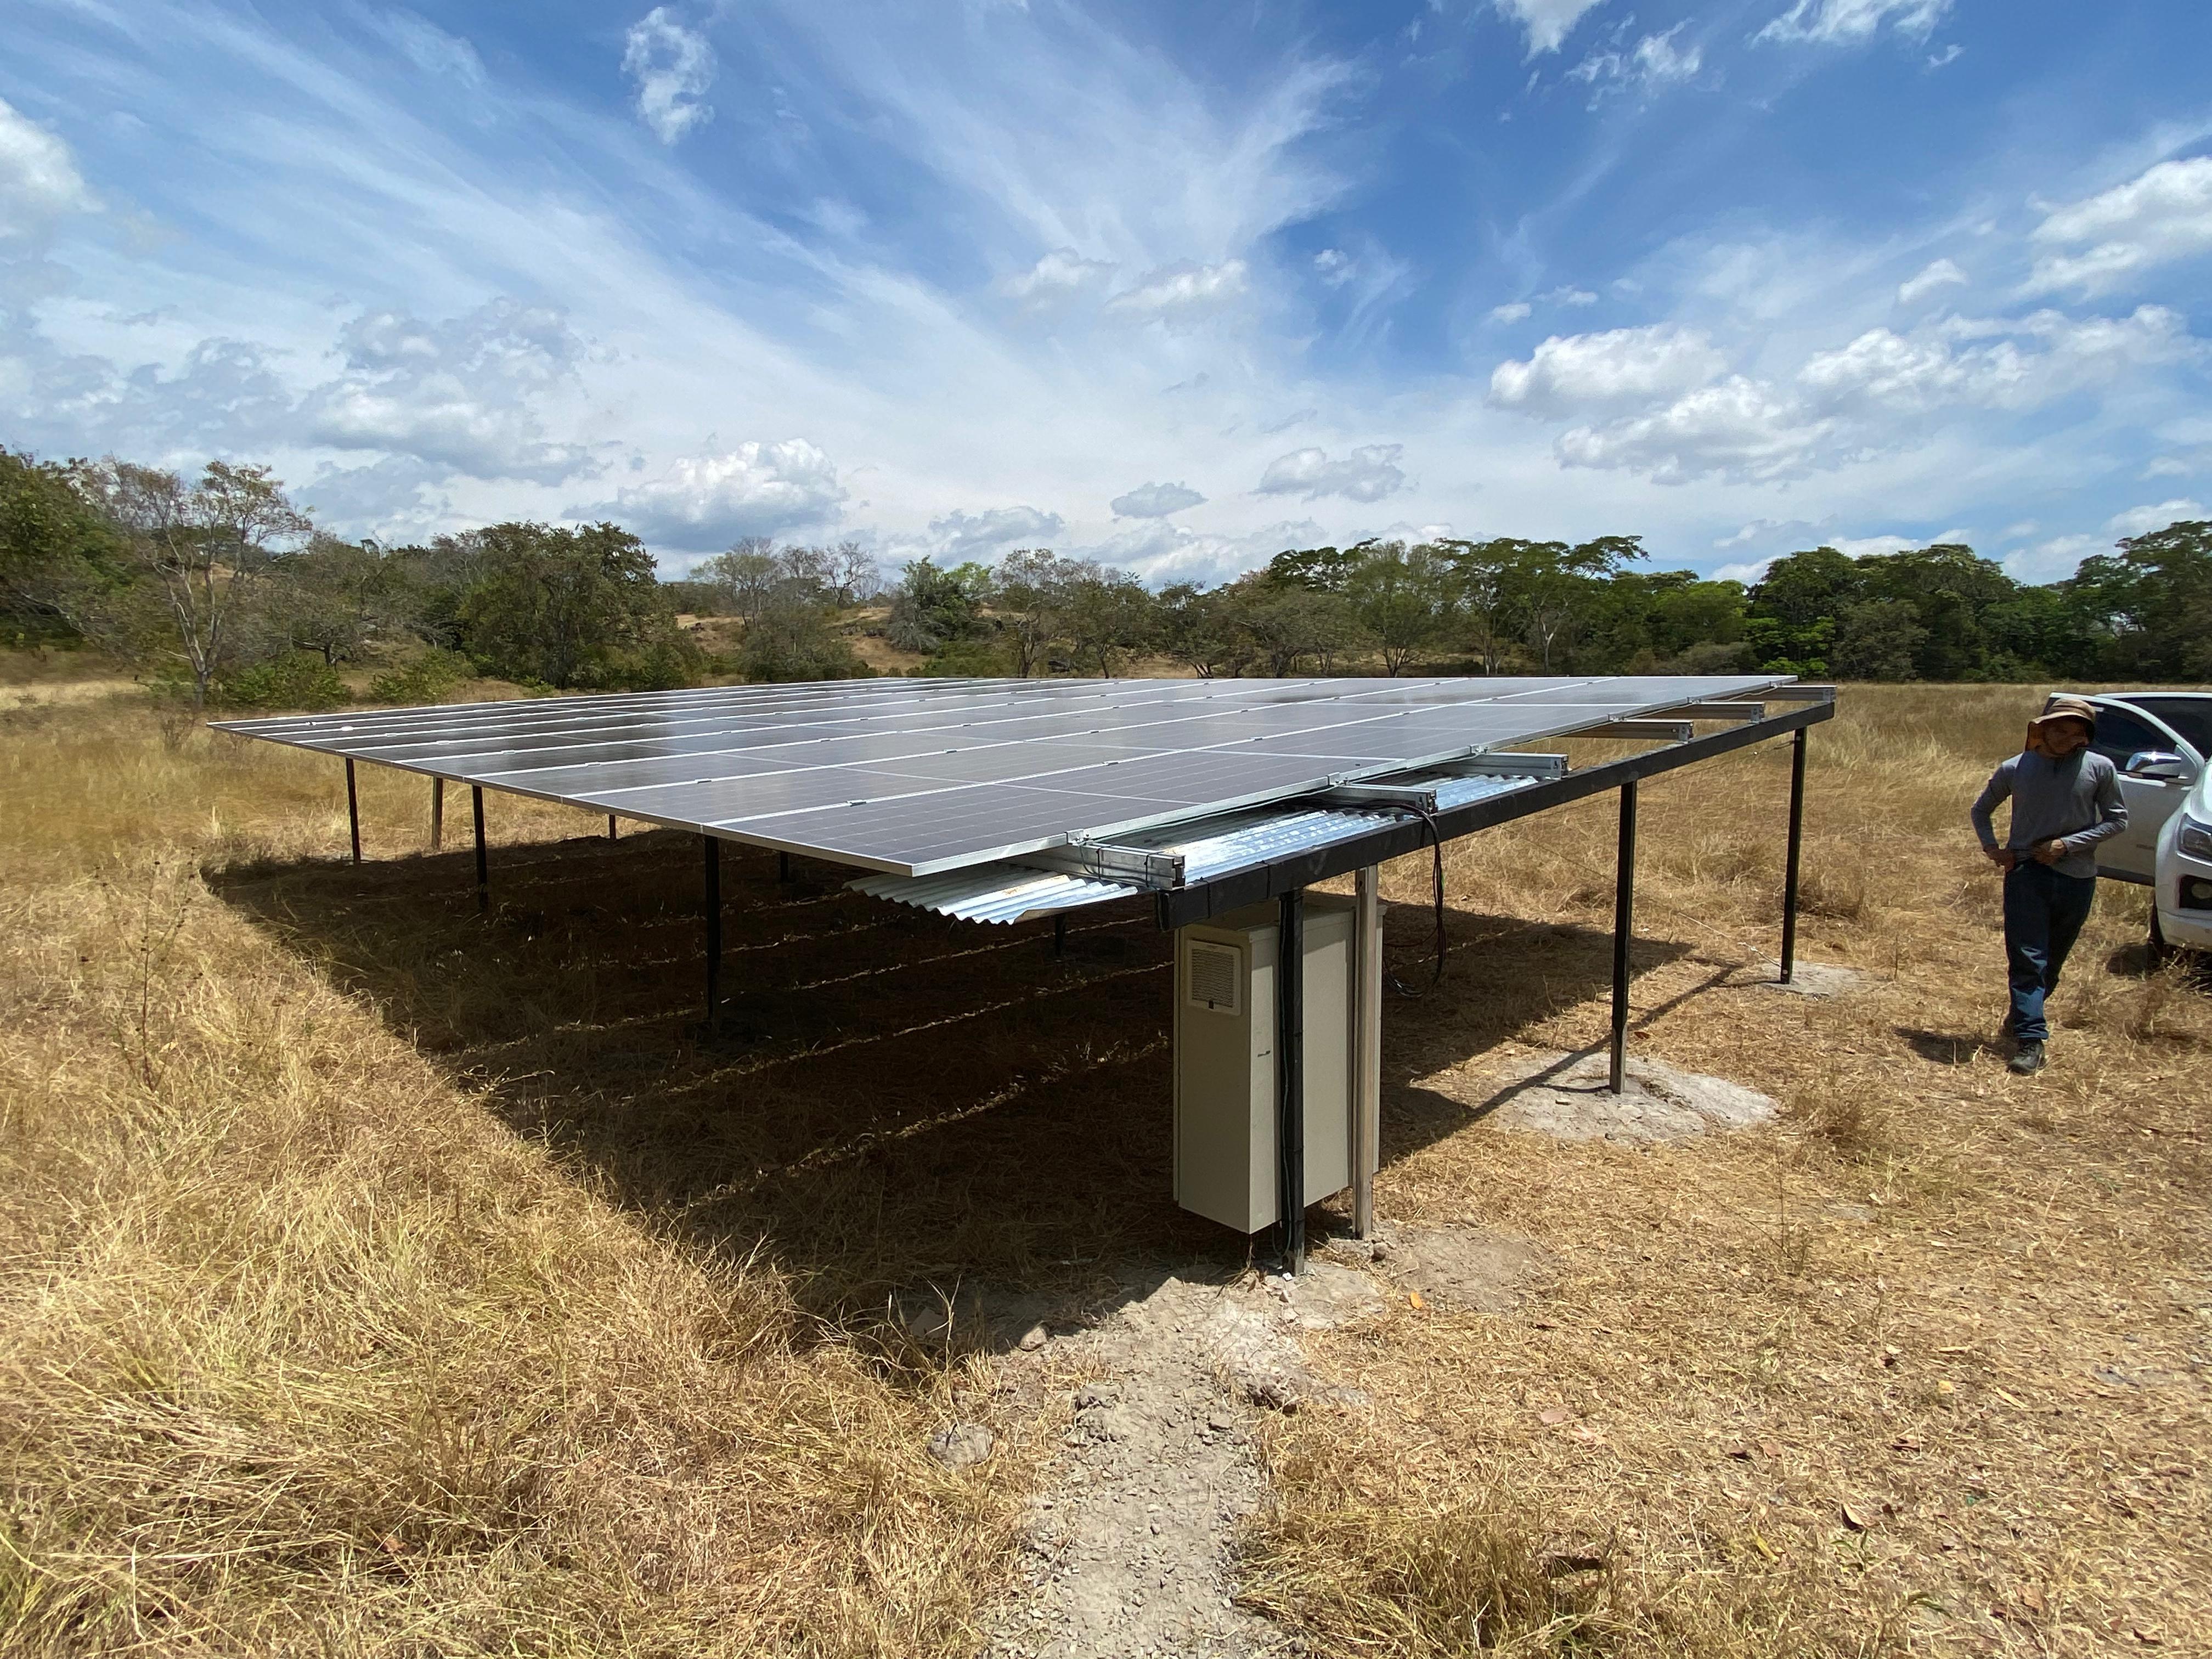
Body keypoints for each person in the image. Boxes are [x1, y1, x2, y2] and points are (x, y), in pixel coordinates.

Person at [1969, 694, 2128, 1075]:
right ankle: (2031, 1040)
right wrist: (1995, 849)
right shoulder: (2016, 767)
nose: (2063, 737)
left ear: (2084, 737)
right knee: (2027, 959)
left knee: (2052, 962)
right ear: (2042, 728)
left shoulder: (2100, 769)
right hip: (2026, 875)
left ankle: (2023, 1015)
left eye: (2073, 732)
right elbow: (1981, 809)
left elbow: (2118, 820)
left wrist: (2067, 845)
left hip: (2077, 878)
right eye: (2058, 728)